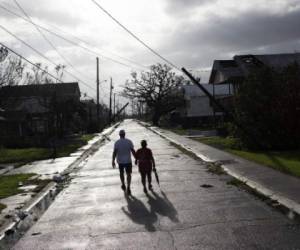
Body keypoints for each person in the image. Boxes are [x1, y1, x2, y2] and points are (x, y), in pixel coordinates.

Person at [112, 129, 136, 195]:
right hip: (128, 161)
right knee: (128, 174)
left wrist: (113, 161)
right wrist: (136, 158)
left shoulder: (117, 142)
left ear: (119, 135)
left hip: (120, 161)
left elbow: (114, 152)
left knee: (121, 173)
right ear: (124, 134)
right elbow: (133, 151)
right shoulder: (129, 141)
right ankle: (128, 186)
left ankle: (123, 184)